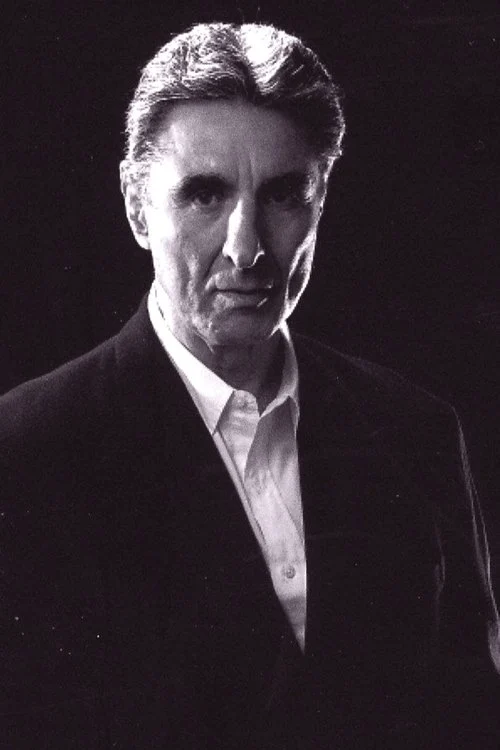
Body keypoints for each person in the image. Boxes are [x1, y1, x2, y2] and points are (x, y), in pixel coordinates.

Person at [1, 21, 499, 749]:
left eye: (283, 195)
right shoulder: (25, 453)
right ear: (137, 206)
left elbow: (473, 714)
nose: (246, 247)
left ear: (320, 201)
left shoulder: (416, 433)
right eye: (204, 195)